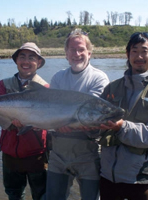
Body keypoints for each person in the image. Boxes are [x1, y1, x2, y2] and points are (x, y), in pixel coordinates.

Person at [98, 32, 148, 200]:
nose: (139, 56)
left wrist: (122, 127)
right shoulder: (111, 89)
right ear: (127, 54)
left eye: (144, 51)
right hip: (107, 177)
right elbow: (94, 121)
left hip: (140, 180)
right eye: (134, 51)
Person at [45, 28, 109, 200]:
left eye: (81, 49)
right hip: (58, 152)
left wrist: (65, 123)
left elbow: (92, 114)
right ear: (66, 54)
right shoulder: (58, 78)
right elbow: (52, 111)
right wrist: (57, 125)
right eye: (72, 49)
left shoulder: (99, 78)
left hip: (87, 152)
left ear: (89, 53)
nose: (77, 53)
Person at [0, 42, 49, 200]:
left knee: (42, 193)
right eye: (22, 56)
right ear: (16, 60)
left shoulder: (46, 88)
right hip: (10, 151)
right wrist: (9, 121)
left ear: (38, 63)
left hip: (37, 153)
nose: (26, 61)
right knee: (13, 194)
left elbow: (48, 120)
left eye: (31, 57)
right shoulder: (3, 85)